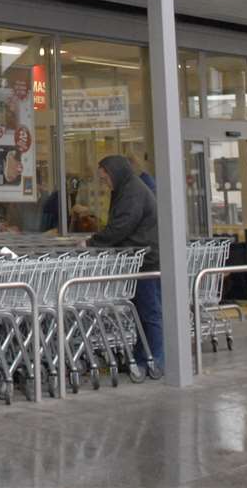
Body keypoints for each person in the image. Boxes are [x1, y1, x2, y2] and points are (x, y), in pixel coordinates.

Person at [90, 154, 163, 371]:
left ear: (116, 173)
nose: (105, 183)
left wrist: (94, 242)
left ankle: (156, 360)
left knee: (149, 312)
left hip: (144, 260)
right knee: (141, 312)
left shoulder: (132, 193)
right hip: (139, 257)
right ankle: (144, 357)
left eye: (106, 178)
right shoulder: (128, 189)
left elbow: (122, 225)